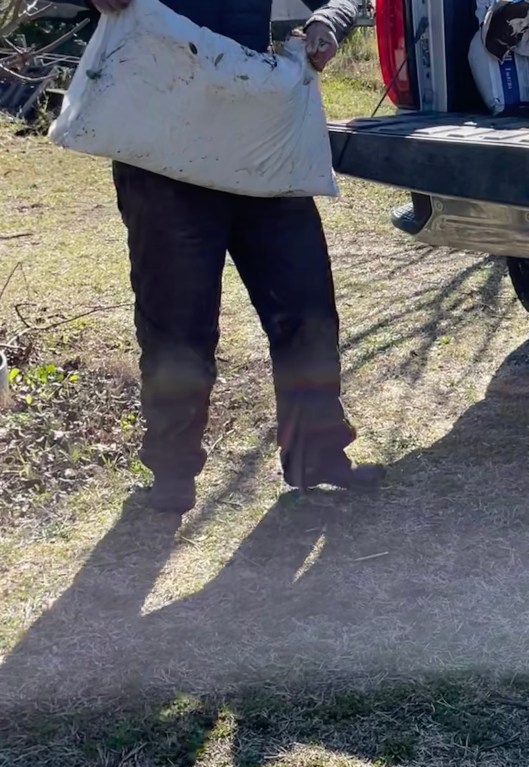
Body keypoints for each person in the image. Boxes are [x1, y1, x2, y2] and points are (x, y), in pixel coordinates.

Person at [63, 0, 382, 513]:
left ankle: (317, 456)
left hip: (260, 141)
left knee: (307, 310)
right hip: (161, 148)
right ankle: (171, 474)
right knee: (176, 323)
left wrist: (328, 22)